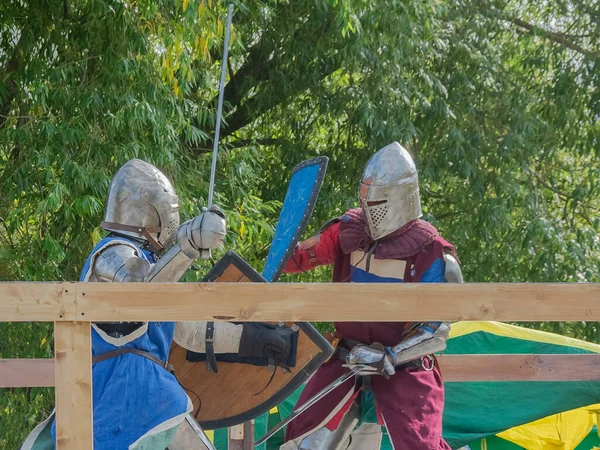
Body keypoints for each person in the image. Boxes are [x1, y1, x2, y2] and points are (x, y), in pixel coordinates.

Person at [22, 158, 290, 450]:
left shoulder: (151, 264)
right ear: (155, 213)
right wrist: (186, 248)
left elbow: (187, 330)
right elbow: (140, 296)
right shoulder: (112, 252)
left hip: (145, 388)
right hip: (123, 388)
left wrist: (253, 339)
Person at [280, 142, 463, 450]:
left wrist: (390, 356)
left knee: (419, 444)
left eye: (378, 201)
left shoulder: (433, 255)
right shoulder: (348, 232)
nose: (370, 208)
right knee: (305, 440)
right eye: (367, 199)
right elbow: (292, 259)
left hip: (404, 366)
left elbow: (436, 330)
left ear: (401, 199)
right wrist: (281, 249)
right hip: (345, 358)